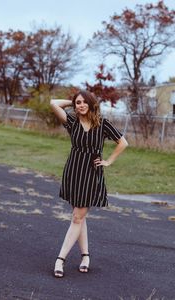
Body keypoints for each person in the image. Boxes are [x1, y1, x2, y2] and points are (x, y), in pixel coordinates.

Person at [50, 90, 128, 278]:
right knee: (79, 216)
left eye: (85, 102)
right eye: (78, 103)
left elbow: (123, 142)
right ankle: (85, 257)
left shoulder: (102, 124)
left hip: (91, 174)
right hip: (74, 172)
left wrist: (108, 161)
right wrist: (74, 101)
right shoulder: (71, 122)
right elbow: (53, 103)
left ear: (92, 104)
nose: (81, 105)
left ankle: (60, 259)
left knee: (77, 217)